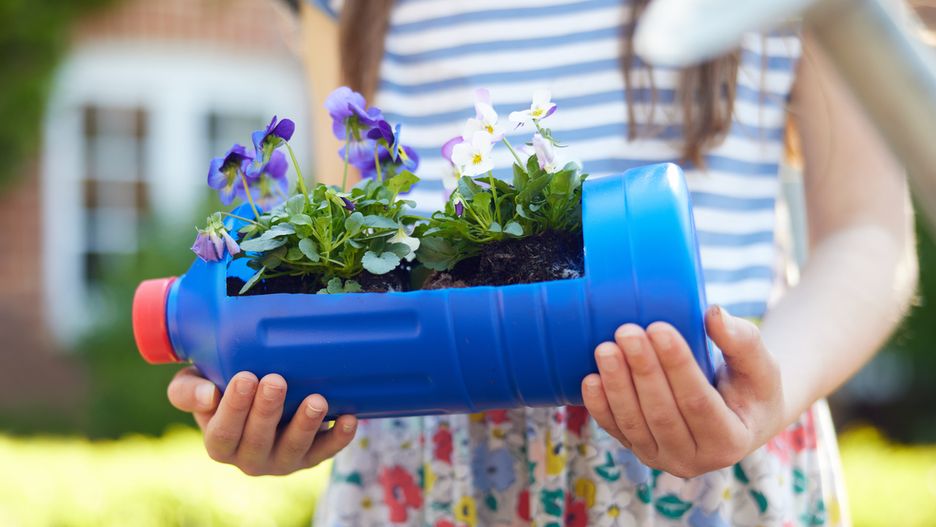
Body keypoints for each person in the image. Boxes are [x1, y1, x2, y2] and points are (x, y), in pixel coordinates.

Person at [166, 0, 917, 525]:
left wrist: (760, 398)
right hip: (435, 464)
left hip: (714, 434)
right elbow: (352, 244)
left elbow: (868, 231)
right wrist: (299, 398)